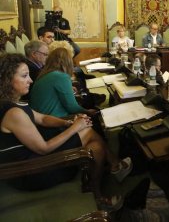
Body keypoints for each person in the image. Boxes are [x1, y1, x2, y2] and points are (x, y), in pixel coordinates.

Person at [0, 53, 131, 210]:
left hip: (30, 158)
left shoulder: (14, 103)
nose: (31, 80)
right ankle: (104, 182)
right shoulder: (13, 113)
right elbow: (43, 148)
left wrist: (67, 122)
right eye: (24, 76)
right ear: (8, 80)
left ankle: (97, 189)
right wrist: (75, 127)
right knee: (90, 135)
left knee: (95, 146)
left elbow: (41, 118)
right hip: (30, 172)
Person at [29, 48, 97, 118]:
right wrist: (87, 111)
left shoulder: (44, 73)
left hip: (39, 119)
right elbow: (72, 107)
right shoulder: (61, 76)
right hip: (53, 120)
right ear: (68, 61)